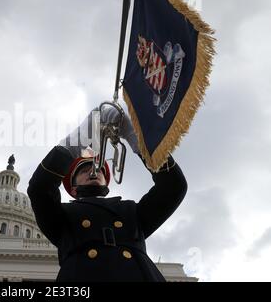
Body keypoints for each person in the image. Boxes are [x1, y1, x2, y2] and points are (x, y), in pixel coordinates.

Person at [27, 105, 187, 282]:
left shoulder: (131, 211)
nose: (93, 171)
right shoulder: (62, 216)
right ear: (72, 189)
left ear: (106, 183)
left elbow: (173, 186)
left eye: (99, 170)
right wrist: (81, 137)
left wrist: (136, 139)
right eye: (83, 170)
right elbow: (39, 188)